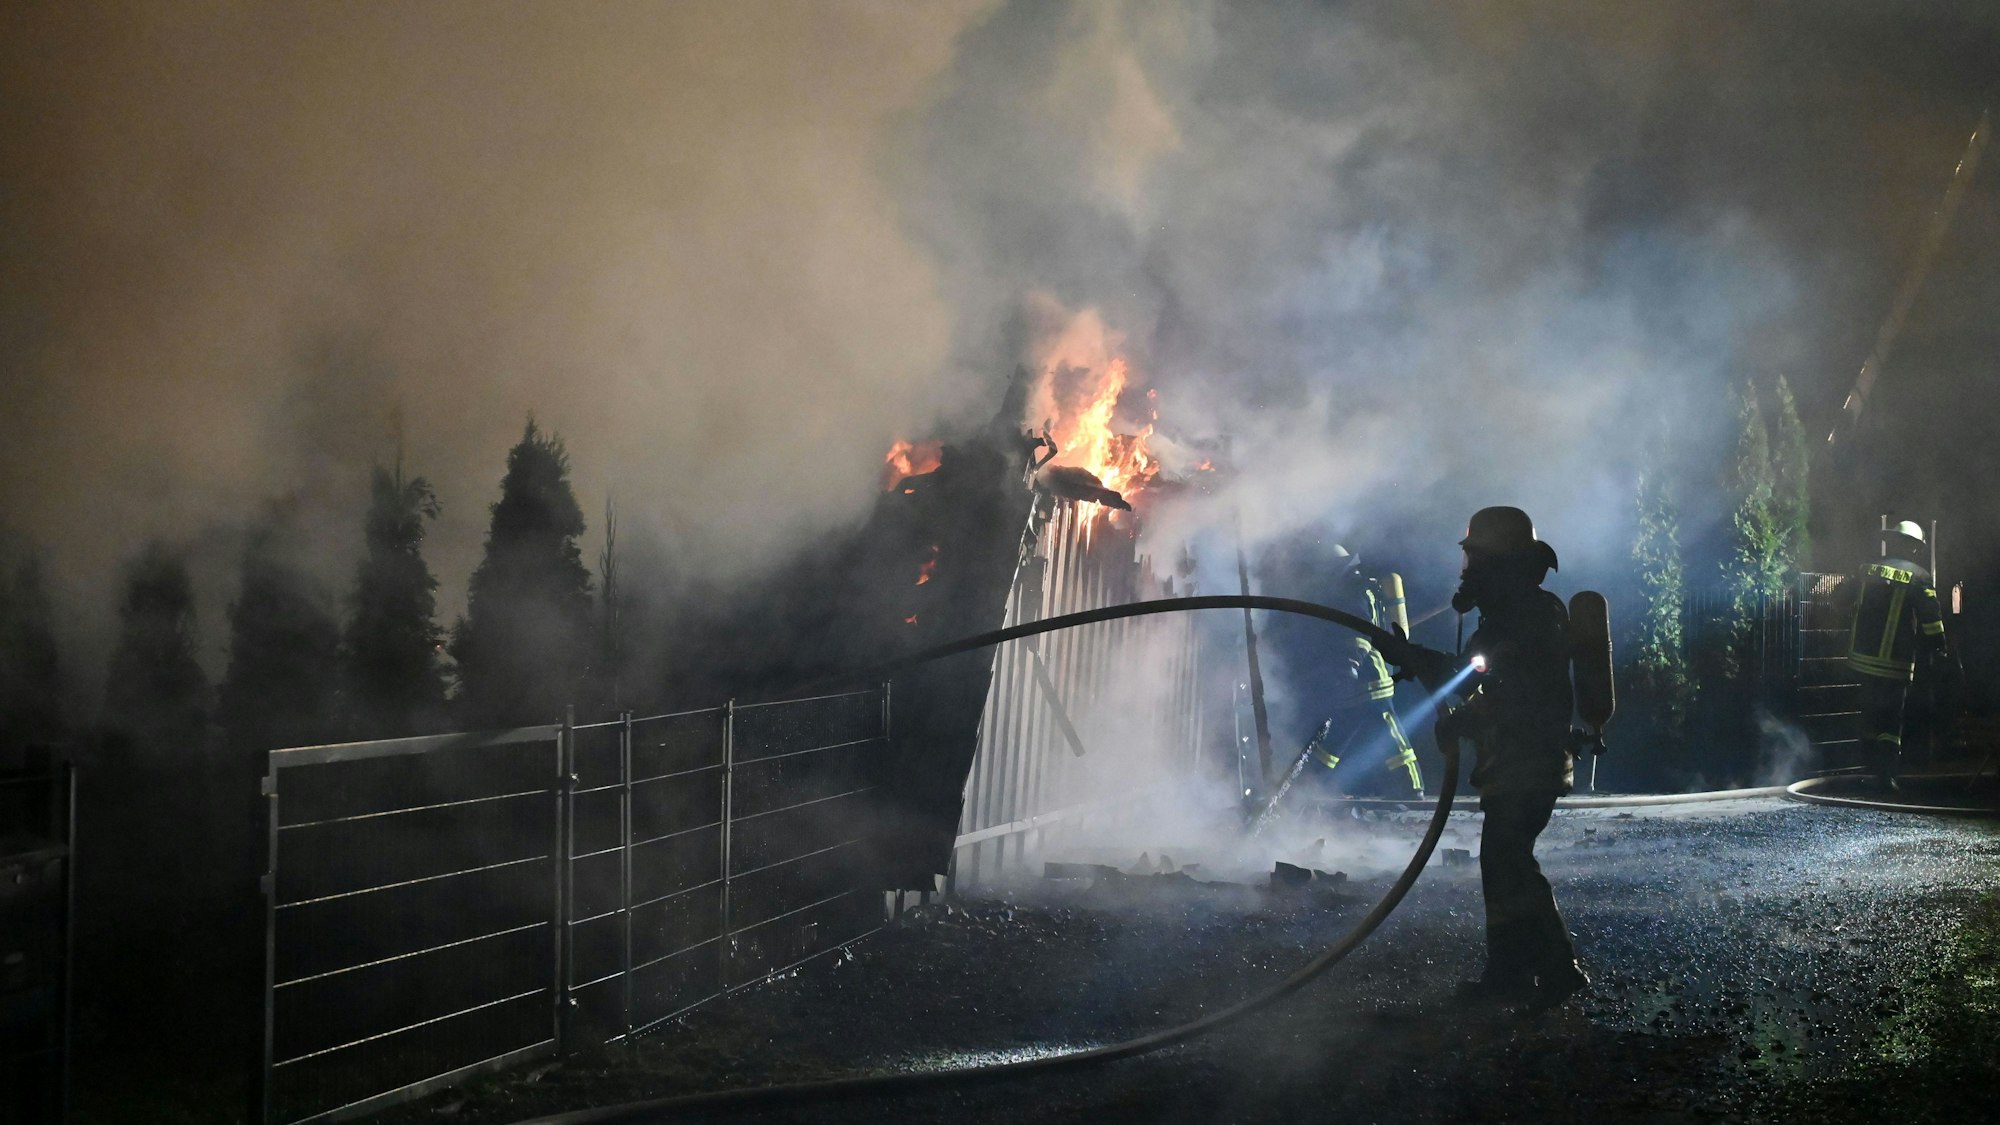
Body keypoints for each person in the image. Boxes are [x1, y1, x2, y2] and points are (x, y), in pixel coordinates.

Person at [1390, 506, 1586, 1008]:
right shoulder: (1515, 615)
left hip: (1529, 760)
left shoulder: (1524, 618)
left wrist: (1460, 716)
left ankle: (1556, 969)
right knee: (1503, 866)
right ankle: (1511, 974)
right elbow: (1474, 676)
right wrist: (1419, 662)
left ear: (1501, 565)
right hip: (1517, 762)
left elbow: (1501, 690)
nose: (1467, 571)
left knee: (1509, 863)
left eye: (1475, 560)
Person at [1845, 520, 1948, 788]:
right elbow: (1931, 619)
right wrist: (1939, 646)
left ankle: (1864, 768)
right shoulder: (1920, 576)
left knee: (1869, 711)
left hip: (1862, 658)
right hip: (1895, 661)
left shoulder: (1866, 568)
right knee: (1891, 718)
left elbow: (1841, 598)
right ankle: (1885, 774)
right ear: (1915, 548)